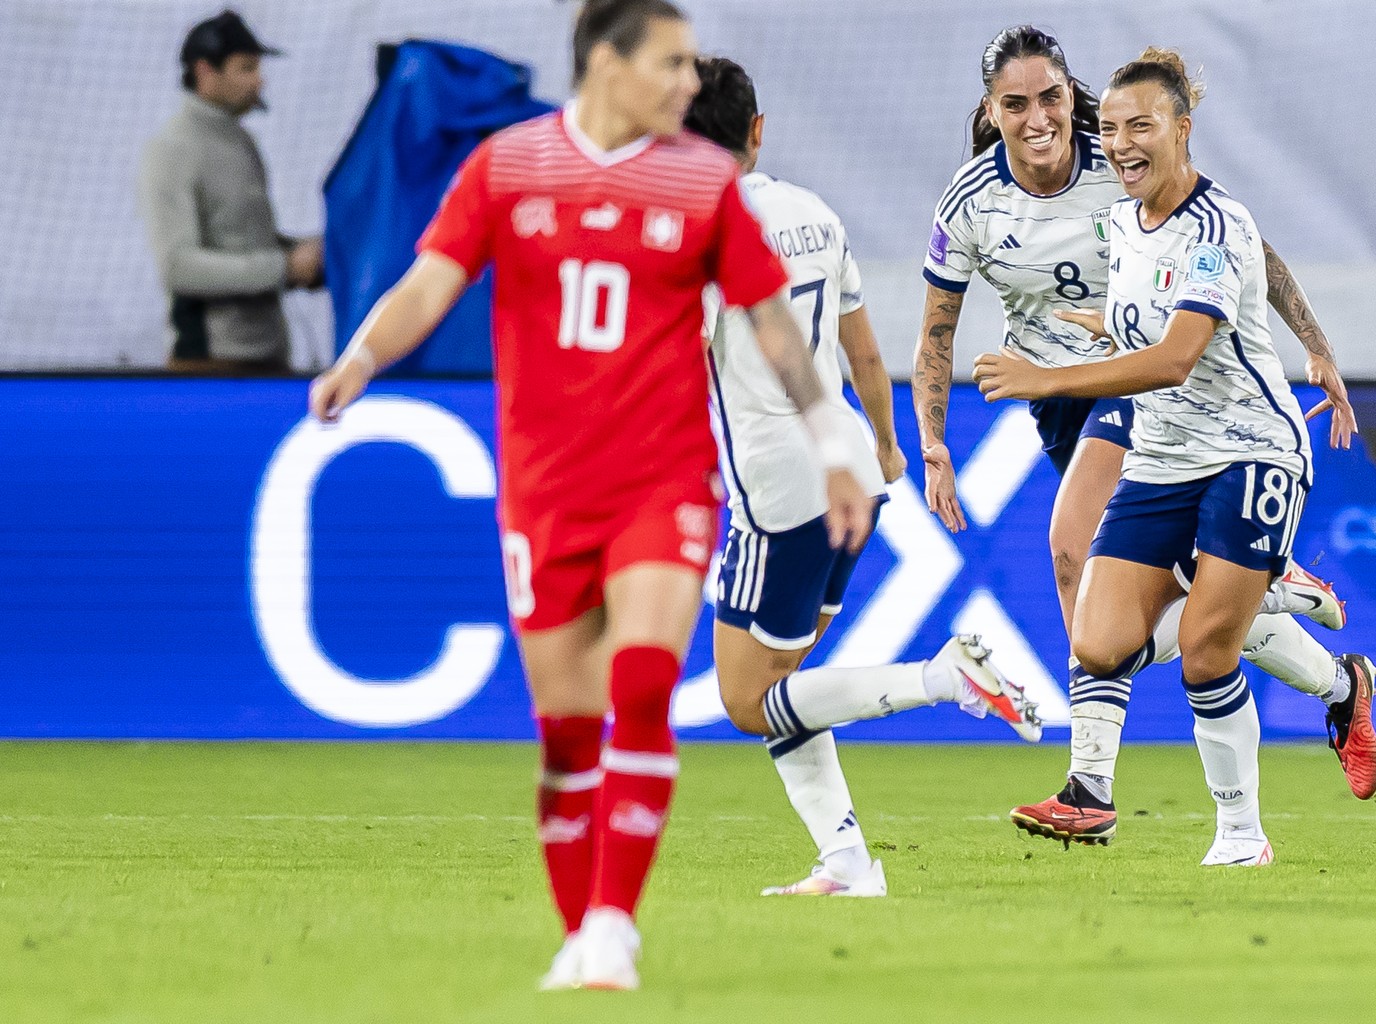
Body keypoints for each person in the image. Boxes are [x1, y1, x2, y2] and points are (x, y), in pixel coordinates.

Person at [307, 0, 873, 990]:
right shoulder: (508, 166)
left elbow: (776, 329)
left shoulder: (705, 185)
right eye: (670, 63)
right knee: (568, 727)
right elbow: (430, 284)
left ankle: (615, 921)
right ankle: (584, 928)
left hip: (662, 480)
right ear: (608, 65)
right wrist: (358, 358)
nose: (687, 84)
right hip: (545, 489)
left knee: (645, 682)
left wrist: (834, 437)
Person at [911, 26, 1376, 846]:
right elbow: (936, 336)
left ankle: (1097, 787)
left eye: (1053, 97)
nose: (1039, 118)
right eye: (1015, 103)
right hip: (1081, 405)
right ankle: (1328, 670)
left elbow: (1210, 300)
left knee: (1075, 551)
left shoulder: (1146, 182)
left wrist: (1315, 341)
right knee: (1122, 634)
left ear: (1074, 97)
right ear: (991, 111)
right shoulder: (985, 204)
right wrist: (934, 443)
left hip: (1163, 402)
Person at [683, 57, 1042, 899]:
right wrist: (887, 446)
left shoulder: (699, 236)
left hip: (777, 494)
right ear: (758, 130)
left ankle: (946, 678)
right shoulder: (811, 213)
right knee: (788, 691)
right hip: (851, 474)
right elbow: (866, 351)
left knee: (747, 700)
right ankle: (845, 859)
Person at [139, 9, 323, 372]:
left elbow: (243, 241)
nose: (259, 81)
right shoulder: (174, 148)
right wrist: (285, 267)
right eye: (246, 68)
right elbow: (179, 267)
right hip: (209, 364)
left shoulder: (240, 140)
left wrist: (307, 256)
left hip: (267, 357)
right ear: (205, 71)